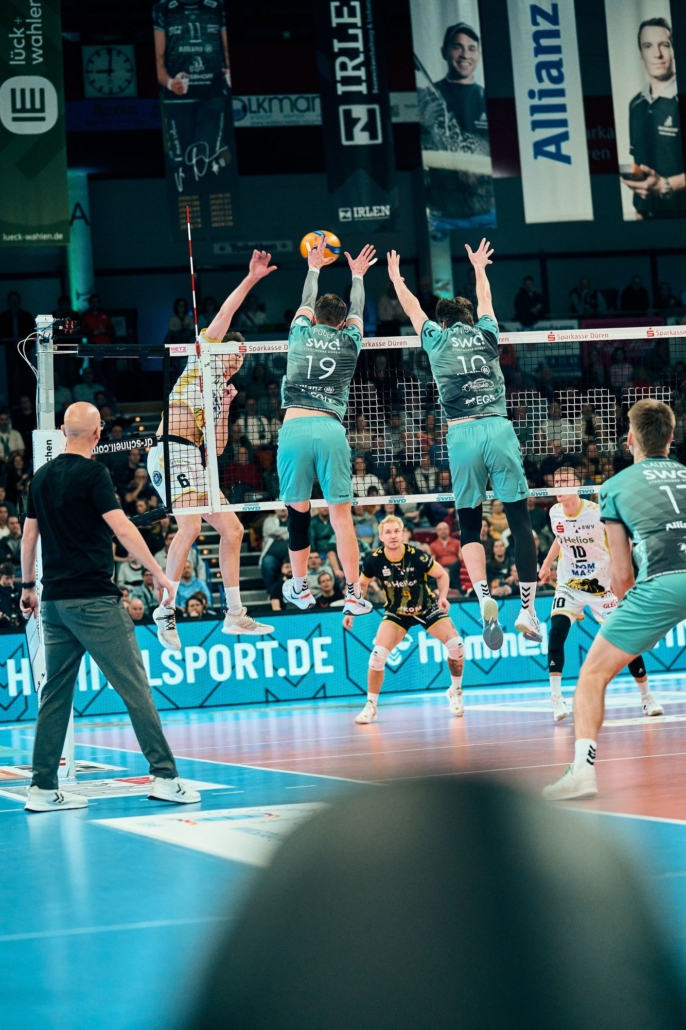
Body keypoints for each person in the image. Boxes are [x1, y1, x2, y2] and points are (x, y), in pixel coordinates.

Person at [20, 402, 199, 812]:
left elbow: (29, 539)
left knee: (54, 696)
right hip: (95, 601)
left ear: (63, 431)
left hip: (54, 604)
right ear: (98, 434)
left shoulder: (40, 477)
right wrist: (158, 571)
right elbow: (122, 527)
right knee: (134, 688)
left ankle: (42, 788)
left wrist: (29, 586)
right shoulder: (94, 474)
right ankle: (165, 778)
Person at [388, 240, 541, 651]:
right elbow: (486, 298)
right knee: (519, 519)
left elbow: (412, 309)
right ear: (470, 319)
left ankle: (484, 598)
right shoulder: (486, 333)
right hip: (497, 426)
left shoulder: (435, 339)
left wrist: (397, 279)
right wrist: (479, 268)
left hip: (461, 433)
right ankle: (528, 610)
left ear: (442, 322)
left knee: (470, 524)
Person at [543, 400, 686, 801]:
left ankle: (583, 773)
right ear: (670, 439)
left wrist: (632, 617)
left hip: (661, 583)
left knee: (591, 676)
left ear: (630, 439)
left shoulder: (613, 488)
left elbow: (622, 574)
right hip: (584, 584)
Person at [148, 251, 277, 648]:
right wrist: (252, 278)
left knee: (233, 529)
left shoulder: (222, 391)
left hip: (194, 458)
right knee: (189, 527)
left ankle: (235, 613)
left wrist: (226, 407)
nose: (239, 360)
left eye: (242, 358)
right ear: (222, 348)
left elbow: (217, 448)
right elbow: (225, 311)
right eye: (237, 353)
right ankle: (165, 609)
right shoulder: (203, 355)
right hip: (170, 450)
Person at [276, 236, 376, 616]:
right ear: (343, 323)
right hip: (332, 430)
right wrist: (358, 277)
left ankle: (301, 588)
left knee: (298, 515)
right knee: (341, 517)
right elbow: (358, 309)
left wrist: (314, 268)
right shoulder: (351, 341)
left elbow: (306, 299)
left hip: (295, 428)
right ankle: (353, 593)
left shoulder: (299, 332)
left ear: (315, 318)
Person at [539, 467, 662, 722]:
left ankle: (647, 696)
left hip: (603, 587)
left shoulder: (597, 513)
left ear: (577, 485)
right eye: (556, 481)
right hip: (569, 585)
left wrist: (621, 573)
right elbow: (560, 537)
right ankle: (556, 697)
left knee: (626, 640)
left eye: (564, 481)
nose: (559, 486)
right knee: (556, 633)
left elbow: (624, 541)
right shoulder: (554, 512)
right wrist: (547, 563)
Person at [344, 515, 465, 724]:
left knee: (456, 645)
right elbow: (362, 584)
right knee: (377, 657)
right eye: (388, 532)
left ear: (403, 534)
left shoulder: (417, 556)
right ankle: (371, 705)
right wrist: (352, 609)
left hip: (426, 607)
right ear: (381, 536)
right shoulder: (373, 559)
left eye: (396, 531)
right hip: (397, 612)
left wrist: (443, 596)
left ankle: (455, 691)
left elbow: (442, 575)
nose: (392, 536)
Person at [154, 0, 234, 195]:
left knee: (205, 155)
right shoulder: (163, 8)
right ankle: (187, 196)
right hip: (178, 99)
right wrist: (170, 83)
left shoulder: (217, 6)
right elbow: (158, 59)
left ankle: (207, 189)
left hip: (211, 95)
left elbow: (226, 50)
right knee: (179, 161)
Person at [621, 17, 686, 220]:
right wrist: (639, 208)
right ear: (641, 53)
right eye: (648, 46)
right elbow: (639, 163)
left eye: (664, 45)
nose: (657, 54)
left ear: (674, 50)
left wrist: (665, 185)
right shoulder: (636, 104)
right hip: (646, 220)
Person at [429, 521, 461, 588]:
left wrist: (450, 569)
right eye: (440, 529)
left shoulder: (457, 543)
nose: (443, 531)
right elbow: (433, 561)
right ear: (437, 532)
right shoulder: (433, 545)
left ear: (449, 530)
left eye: (445, 529)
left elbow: (461, 558)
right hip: (441, 567)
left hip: (455, 568)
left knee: (458, 564)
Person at [0, 561, 20, 626]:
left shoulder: (18, 589)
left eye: (12, 578)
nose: (9, 581)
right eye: (7, 578)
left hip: (16, 625)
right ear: (1, 576)